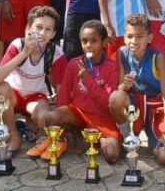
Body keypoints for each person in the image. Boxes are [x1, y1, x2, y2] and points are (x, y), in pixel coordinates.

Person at [37, 20, 122, 163]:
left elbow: (107, 103)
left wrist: (87, 79)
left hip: (102, 118)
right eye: (84, 41)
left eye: (94, 41)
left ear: (104, 43)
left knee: (112, 155)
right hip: (78, 113)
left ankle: (91, 138)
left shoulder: (111, 67)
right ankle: (73, 134)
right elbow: (63, 98)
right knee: (50, 117)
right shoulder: (74, 64)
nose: (88, 45)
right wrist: (62, 130)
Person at [0, 6, 67, 157]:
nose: (42, 33)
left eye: (48, 29)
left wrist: (57, 119)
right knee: (1, 88)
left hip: (35, 97)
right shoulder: (18, 45)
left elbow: (62, 89)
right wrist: (24, 53)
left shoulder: (56, 53)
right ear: (28, 28)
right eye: (38, 27)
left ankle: (36, 127)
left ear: (53, 34)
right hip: (13, 95)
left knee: (43, 118)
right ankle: (14, 136)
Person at [108, 14, 165, 164]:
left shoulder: (157, 58)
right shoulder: (122, 53)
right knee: (116, 97)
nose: (134, 41)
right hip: (135, 106)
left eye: (139, 36)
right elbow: (120, 89)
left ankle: (155, 140)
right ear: (124, 38)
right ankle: (128, 137)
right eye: (130, 36)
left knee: (164, 157)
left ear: (149, 38)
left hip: (154, 109)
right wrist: (125, 86)